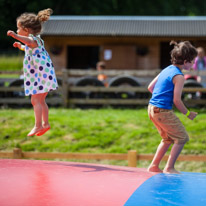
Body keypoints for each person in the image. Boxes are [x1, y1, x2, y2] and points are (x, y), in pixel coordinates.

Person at [147, 40, 198, 174]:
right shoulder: (179, 76)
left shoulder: (167, 69)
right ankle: (169, 167)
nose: (193, 64)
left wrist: (161, 97)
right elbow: (177, 100)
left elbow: (150, 87)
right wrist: (188, 114)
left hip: (152, 108)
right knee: (182, 138)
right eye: (192, 61)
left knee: (167, 139)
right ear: (186, 61)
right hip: (162, 111)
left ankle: (154, 165)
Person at [7, 8, 58, 136]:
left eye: (19, 28)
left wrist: (15, 35)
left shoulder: (31, 39)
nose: (18, 30)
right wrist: (21, 47)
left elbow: (28, 42)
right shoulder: (37, 40)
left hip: (40, 76)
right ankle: (45, 124)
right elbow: (30, 48)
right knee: (41, 101)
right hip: (45, 75)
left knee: (35, 100)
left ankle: (38, 125)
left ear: (27, 30)